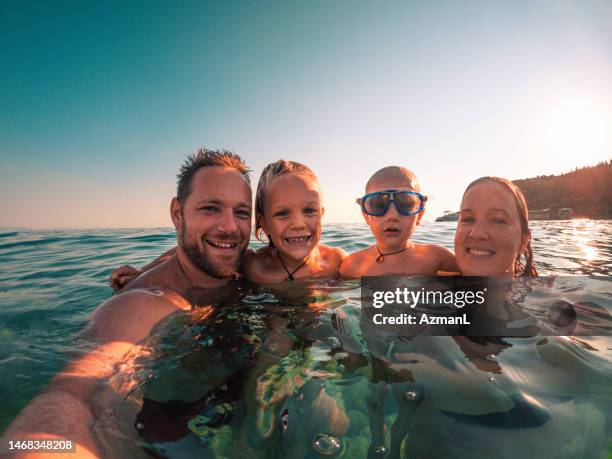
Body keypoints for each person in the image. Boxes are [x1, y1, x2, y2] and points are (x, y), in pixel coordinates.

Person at [4, 148, 253, 458]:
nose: (229, 226)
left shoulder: (250, 268)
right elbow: (77, 392)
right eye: (211, 208)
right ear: (178, 213)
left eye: (241, 212)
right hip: (171, 428)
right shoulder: (141, 305)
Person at [112, 159, 347, 288]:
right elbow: (188, 251)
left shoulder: (337, 261)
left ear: (322, 213)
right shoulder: (253, 265)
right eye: (283, 214)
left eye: (310, 211)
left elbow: (376, 264)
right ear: (263, 223)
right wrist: (145, 272)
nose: (298, 223)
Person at [340, 166, 457, 278]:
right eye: (378, 205)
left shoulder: (436, 258)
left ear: (419, 215)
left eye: (406, 204)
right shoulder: (353, 266)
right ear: (366, 216)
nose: (392, 215)